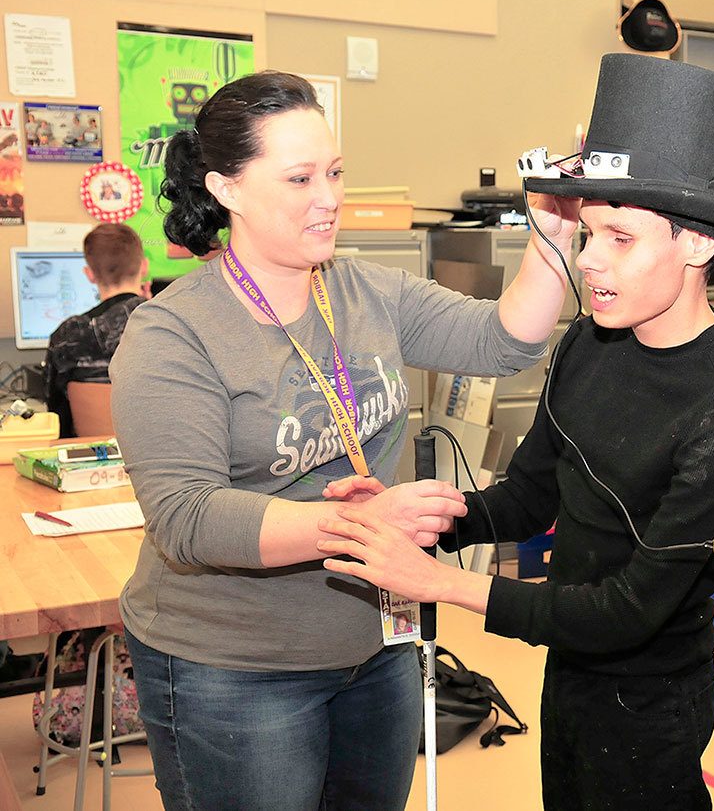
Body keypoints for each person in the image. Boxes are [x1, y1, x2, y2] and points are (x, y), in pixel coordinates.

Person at [318, 54, 714, 811]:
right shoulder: (591, 342)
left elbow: (630, 611)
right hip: (570, 671)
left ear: (697, 244)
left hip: (651, 702)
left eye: (620, 239)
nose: (590, 260)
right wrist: (418, 518)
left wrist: (446, 585)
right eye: (587, 232)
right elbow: (533, 494)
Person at [109, 70, 572, 811]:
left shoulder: (367, 292)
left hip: (374, 642)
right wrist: (362, 523)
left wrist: (554, 234)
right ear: (226, 188)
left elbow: (503, 341)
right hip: (234, 668)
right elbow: (188, 518)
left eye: (334, 171)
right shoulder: (174, 333)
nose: (328, 197)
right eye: (299, 178)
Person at [43, 222, 148, 437]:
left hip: (88, 461)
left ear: (89, 274)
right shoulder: (166, 323)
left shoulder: (68, 335)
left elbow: (56, 415)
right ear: (144, 267)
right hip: (161, 460)